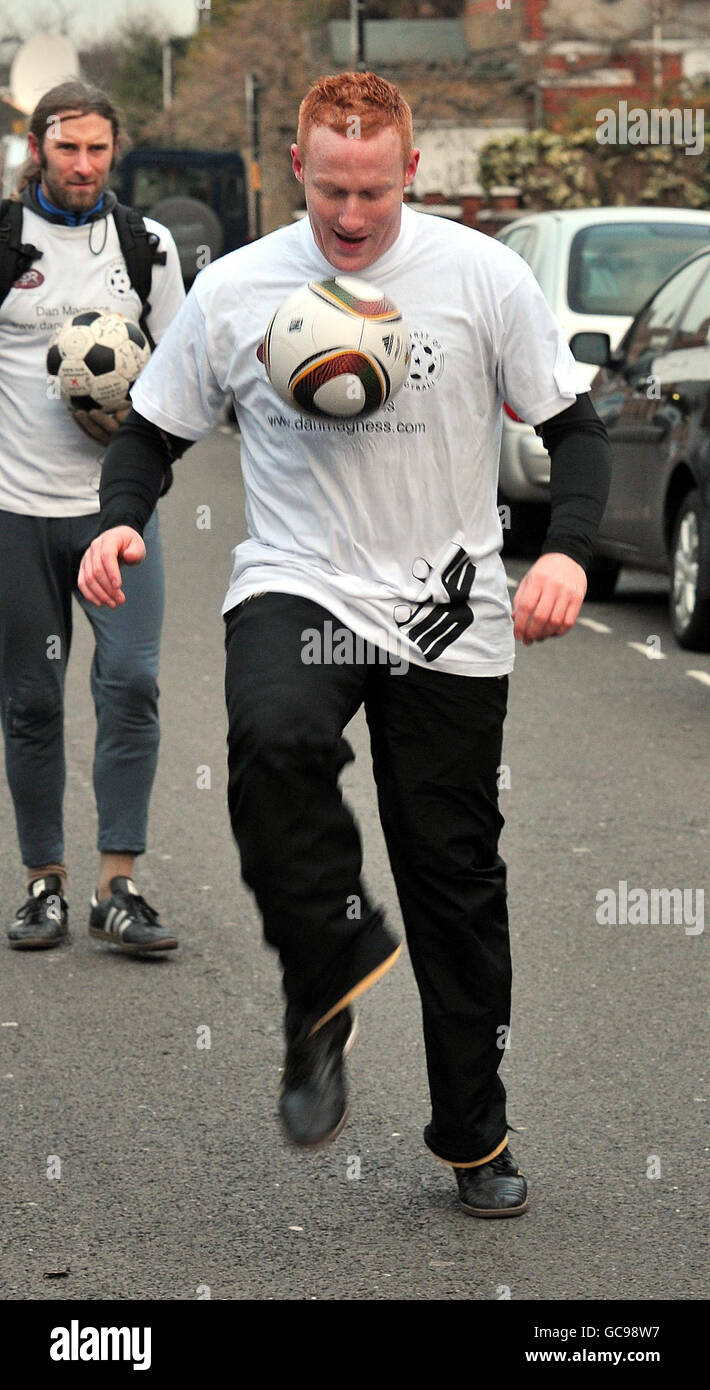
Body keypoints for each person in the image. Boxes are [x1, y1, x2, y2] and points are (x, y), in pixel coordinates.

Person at [78, 72, 611, 1216]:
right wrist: (120, 519)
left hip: (444, 610)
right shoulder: (235, 289)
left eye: (373, 191)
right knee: (270, 740)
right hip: (301, 581)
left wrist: (563, 551)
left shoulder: (481, 276)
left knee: (453, 882)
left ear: (408, 172)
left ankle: (474, 1131)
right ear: (293, 170)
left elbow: (573, 427)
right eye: (330, 191)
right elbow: (153, 433)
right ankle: (326, 973)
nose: (352, 216)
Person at [0, 81, 185, 954]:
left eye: (97, 150)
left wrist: (129, 418)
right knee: (32, 702)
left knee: (133, 688)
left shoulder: (147, 248)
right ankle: (45, 884)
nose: (82, 164)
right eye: (66, 147)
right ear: (37, 146)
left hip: (117, 519)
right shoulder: (4, 242)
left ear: (116, 152)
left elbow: (185, 392)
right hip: (16, 514)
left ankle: (120, 885)